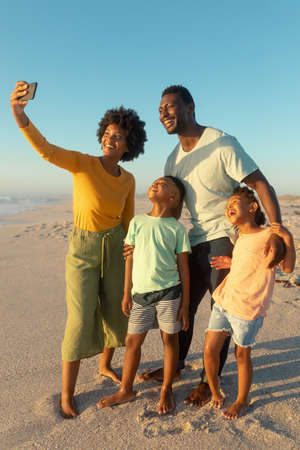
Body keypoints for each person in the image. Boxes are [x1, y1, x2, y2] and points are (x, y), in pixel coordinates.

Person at [135, 85, 284, 407]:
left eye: (170, 107)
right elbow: (172, 209)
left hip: (225, 239)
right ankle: (175, 368)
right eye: (160, 109)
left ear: (190, 107)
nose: (163, 113)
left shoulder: (221, 143)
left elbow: (259, 183)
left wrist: (276, 231)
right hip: (194, 239)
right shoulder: (173, 160)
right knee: (182, 308)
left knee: (223, 310)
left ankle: (208, 381)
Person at [10, 81, 147, 418]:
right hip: (83, 249)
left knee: (116, 311)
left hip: (116, 246)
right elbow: (45, 149)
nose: (110, 139)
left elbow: (128, 221)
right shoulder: (82, 163)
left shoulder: (128, 179)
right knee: (80, 316)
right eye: (108, 133)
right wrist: (18, 112)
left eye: (118, 136)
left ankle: (105, 365)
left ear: (129, 145)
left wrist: (135, 251)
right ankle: (68, 392)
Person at [97, 176, 190, 414]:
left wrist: (185, 304)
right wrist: (126, 292)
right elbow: (130, 259)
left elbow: (183, 268)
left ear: (173, 198)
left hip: (170, 292)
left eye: (164, 184)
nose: (156, 183)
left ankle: (167, 387)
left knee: (170, 340)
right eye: (155, 182)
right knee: (132, 342)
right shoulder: (137, 222)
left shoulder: (177, 228)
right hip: (141, 294)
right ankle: (126, 389)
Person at [204, 186, 296, 419]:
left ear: (253, 207)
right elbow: (248, 261)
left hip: (248, 307)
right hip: (225, 300)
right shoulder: (239, 237)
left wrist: (289, 238)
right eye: (227, 207)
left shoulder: (269, 236)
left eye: (234, 203)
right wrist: (231, 262)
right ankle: (215, 392)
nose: (230, 208)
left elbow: (286, 268)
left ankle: (242, 400)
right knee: (209, 350)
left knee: (242, 354)